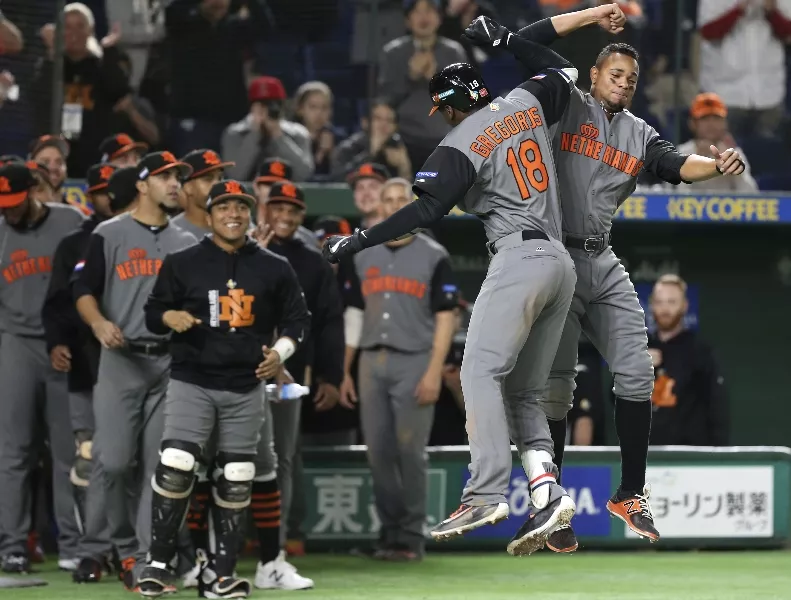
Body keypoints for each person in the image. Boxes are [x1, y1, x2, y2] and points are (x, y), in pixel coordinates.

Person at [323, 10, 611, 555]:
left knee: (479, 368)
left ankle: (485, 491)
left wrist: (358, 239)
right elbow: (561, 68)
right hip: (561, 264)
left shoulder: (460, 138)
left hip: (519, 257)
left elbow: (426, 210)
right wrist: (508, 39)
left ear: (451, 105)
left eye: (443, 108)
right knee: (524, 391)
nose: (443, 116)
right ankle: (548, 496)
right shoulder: (526, 101)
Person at [513, 16, 748, 552]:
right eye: (614, 73)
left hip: (601, 257)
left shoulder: (639, 133)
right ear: (595, 74)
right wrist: (595, 14)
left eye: (630, 77)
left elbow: (674, 163)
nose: (623, 82)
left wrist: (715, 166)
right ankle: (553, 504)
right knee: (556, 390)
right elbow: (525, 45)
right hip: (555, 257)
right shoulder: (565, 101)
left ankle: (631, 491)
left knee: (637, 373)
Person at [137, 179, 312, 598]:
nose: (233, 214)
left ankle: (221, 575)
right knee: (177, 462)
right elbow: (152, 312)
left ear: (250, 213)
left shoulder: (273, 266)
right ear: (210, 213)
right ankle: (158, 565)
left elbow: (298, 320)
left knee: (238, 474)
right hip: (192, 379)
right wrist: (169, 319)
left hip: (245, 384)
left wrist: (281, 353)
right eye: (224, 207)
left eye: (240, 207)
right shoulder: (183, 262)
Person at [72, 151, 197, 590]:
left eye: (179, 177)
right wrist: (99, 321)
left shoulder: (186, 242)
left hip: (168, 363)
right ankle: (106, 547)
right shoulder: (109, 234)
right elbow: (83, 290)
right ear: (142, 185)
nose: (175, 184)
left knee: (157, 465)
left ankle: (145, 559)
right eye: (166, 177)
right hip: (121, 359)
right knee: (113, 460)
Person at [340, 177, 458, 560]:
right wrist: (345, 370)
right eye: (386, 200)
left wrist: (433, 371)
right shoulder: (363, 252)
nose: (392, 206)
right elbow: (354, 315)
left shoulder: (434, 254)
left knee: (410, 451)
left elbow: (445, 318)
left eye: (400, 200)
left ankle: (409, 538)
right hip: (371, 361)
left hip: (415, 359)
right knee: (378, 452)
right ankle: (388, 535)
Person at [44, 164, 141, 582]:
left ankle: (134, 548)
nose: (105, 198)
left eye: (109, 190)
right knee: (96, 460)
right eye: (98, 190)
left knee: (137, 462)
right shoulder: (82, 241)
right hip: (92, 363)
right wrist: (58, 341)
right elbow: (64, 301)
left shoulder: (155, 236)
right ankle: (93, 547)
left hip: (142, 363)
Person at [248, 180, 341, 587]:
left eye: (292, 210)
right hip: (235, 369)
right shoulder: (241, 250)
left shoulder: (311, 260)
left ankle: (276, 542)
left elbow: (326, 321)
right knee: (235, 455)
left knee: (281, 457)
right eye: (277, 208)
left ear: (301, 216)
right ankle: (233, 538)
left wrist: (330, 374)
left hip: (288, 371)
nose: (284, 216)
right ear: (264, 210)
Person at [0, 162, 86, 573]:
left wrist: (70, 337)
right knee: (14, 451)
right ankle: (12, 544)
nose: (9, 212)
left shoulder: (71, 221)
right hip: (15, 343)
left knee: (69, 452)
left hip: (64, 346)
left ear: (34, 189)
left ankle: (73, 543)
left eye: (14, 203)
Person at [647, 274, 728, 446]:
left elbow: (717, 406)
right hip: (644, 453)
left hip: (689, 455)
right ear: (652, 306)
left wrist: (719, 455)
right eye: (659, 302)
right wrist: (638, 367)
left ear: (684, 306)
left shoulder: (701, 351)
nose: (665, 309)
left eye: (671, 302)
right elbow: (615, 396)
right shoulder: (638, 348)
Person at [222, 76, 314, 182]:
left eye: (273, 104)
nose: (267, 110)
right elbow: (236, 175)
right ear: (251, 106)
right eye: (262, 105)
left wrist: (279, 137)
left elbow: (304, 174)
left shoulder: (298, 133)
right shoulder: (234, 134)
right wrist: (255, 133)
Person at [669, 93, 758, 193]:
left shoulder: (734, 154)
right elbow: (671, 195)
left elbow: (752, 196)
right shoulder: (680, 153)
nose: (711, 124)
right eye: (705, 118)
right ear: (693, 124)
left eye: (716, 118)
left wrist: (734, 169)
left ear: (725, 124)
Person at [330, 99, 413, 181]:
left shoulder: (400, 147)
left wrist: (404, 168)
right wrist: (370, 153)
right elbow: (338, 180)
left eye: (389, 120)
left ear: (395, 127)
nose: (384, 124)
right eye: (378, 118)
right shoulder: (349, 148)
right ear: (365, 122)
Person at [252, 158, 319, 251]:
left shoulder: (307, 238)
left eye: (280, 186)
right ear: (256, 187)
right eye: (268, 184)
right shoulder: (240, 231)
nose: (274, 190)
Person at [171, 148, 235, 240]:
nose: (217, 185)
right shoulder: (172, 232)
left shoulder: (237, 224)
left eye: (220, 178)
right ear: (188, 187)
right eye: (208, 179)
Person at [346, 162, 389, 229]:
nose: (366, 193)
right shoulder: (349, 234)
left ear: (388, 192)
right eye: (360, 187)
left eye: (373, 186)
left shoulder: (402, 232)